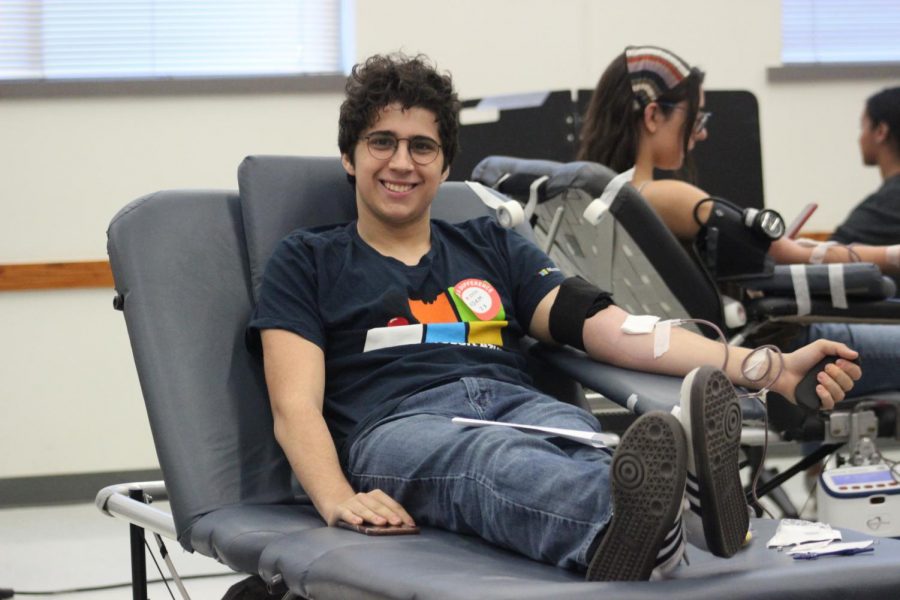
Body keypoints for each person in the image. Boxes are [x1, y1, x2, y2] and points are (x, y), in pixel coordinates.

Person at [248, 53, 860, 582]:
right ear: (350, 158)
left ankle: (664, 522)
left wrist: (767, 367)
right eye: (381, 142)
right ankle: (653, 523)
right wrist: (336, 498)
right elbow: (295, 405)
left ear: (445, 163)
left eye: (422, 146)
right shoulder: (307, 260)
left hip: (516, 403)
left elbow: (615, 331)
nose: (401, 162)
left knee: (587, 446)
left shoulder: (489, 245)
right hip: (398, 426)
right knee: (490, 462)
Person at [578, 45, 898, 397]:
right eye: (695, 119)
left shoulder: (593, 195)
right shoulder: (666, 197)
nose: (701, 134)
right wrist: (890, 256)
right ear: (653, 116)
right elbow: (794, 254)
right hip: (784, 347)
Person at [831, 86, 900, 246]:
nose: (860, 138)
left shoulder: (888, 204)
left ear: (881, 132)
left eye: (863, 127)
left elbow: (833, 250)